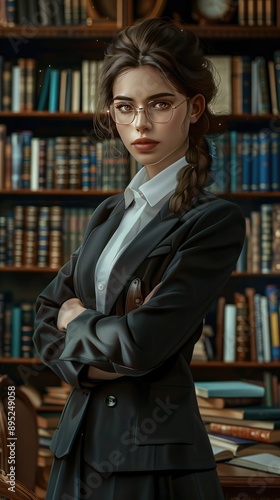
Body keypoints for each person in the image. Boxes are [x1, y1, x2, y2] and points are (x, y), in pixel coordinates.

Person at [33, 17, 245, 500]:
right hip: (76, 448)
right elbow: (45, 320)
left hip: (151, 460)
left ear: (194, 107)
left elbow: (143, 344)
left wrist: (79, 320)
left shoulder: (213, 220)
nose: (140, 125)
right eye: (125, 107)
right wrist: (98, 346)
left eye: (160, 104)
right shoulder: (110, 211)